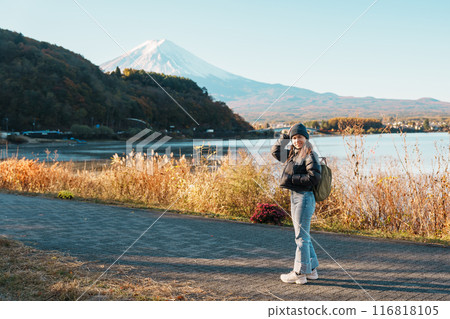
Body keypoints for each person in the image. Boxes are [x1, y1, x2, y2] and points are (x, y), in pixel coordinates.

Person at [271, 123, 322, 284]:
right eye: (294, 138)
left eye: (299, 137)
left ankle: (299, 272)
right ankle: (311, 270)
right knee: (303, 236)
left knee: (301, 238)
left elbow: (315, 178)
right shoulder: (294, 154)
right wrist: (285, 136)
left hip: (305, 198)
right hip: (296, 196)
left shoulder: (309, 154)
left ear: (305, 138)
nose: (296, 140)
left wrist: (292, 179)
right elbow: (275, 152)